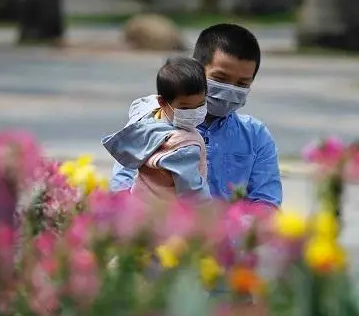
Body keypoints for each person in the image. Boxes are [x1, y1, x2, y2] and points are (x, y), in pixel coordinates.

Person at [109, 24, 282, 207]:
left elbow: (266, 202)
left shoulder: (255, 136)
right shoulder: (153, 122)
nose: (230, 90)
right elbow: (122, 187)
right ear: (196, 70)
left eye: (242, 84)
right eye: (220, 79)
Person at [101, 57, 211, 202]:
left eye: (201, 104)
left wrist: (119, 199)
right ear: (163, 102)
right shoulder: (183, 146)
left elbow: (124, 169)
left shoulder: (146, 116)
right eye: (185, 108)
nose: (195, 112)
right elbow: (193, 193)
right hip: (165, 211)